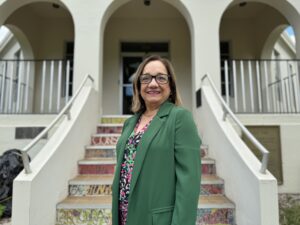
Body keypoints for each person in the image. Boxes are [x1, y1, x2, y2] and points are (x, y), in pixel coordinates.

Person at [112, 55, 201, 225]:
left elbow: (189, 185)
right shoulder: (130, 123)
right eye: (146, 78)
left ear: (171, 86)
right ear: (138, 86)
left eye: (161, 78)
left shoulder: (180, 118)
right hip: (125, 218)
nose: (153, 84)